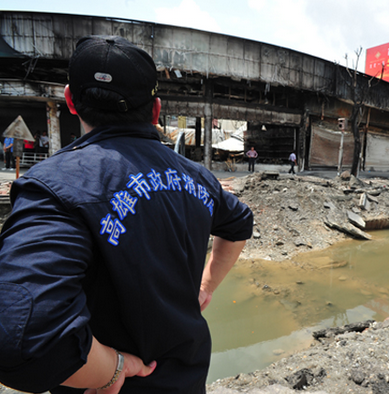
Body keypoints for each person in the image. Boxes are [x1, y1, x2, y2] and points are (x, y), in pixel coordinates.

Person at [0, 35, 253, 394]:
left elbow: (22, 340)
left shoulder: (55, 185)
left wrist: (112, 369)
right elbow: (240, 224)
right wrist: (206, 285)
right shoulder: (199, 178)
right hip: (187, 380)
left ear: (70, 101)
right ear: (155, 110)